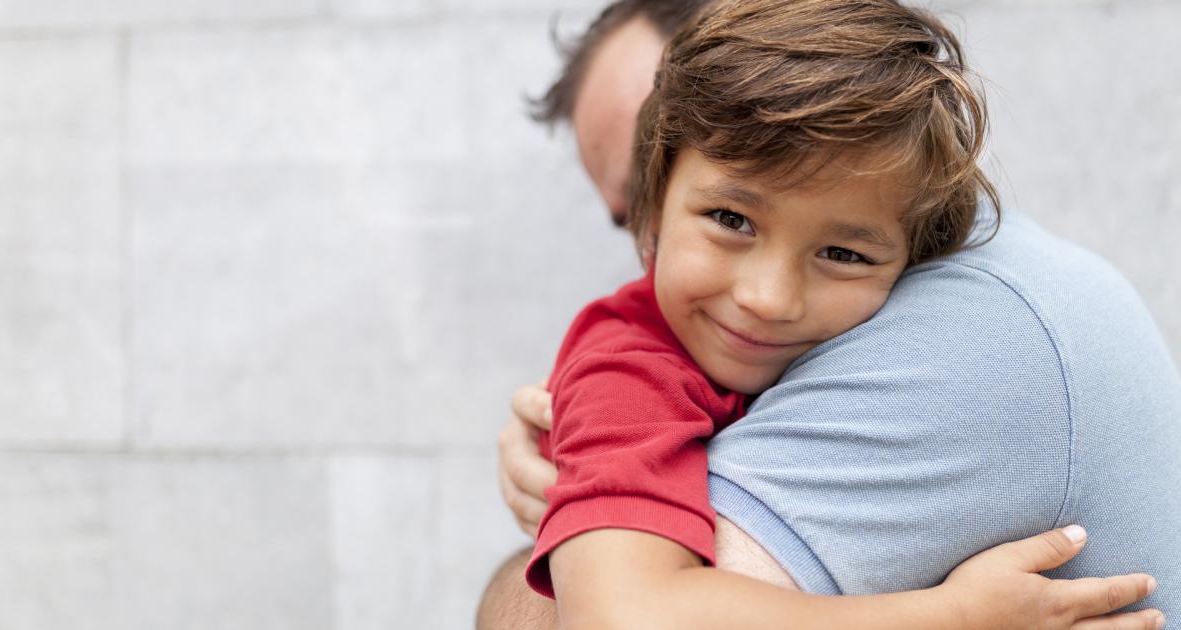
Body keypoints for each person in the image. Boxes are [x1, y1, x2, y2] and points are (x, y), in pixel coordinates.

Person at [480, 0, 1181, 628]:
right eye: (730, 218)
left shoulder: (980, 320)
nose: (769, 297)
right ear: (656, 205)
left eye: (843, 254)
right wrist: (955, 615)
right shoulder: (629, 375)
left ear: (917, 253)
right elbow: (621, 617)